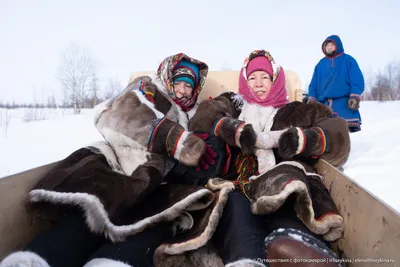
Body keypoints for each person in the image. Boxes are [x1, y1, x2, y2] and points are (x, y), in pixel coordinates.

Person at [0, 53, 231, 267]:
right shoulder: (148, 88)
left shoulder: (194, 113)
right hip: (118, 164)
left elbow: (218, 113)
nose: (182, 91)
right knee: (90, 215)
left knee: (149, 222)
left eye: (188, 86)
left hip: (157, 182)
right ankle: (38, 260)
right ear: (168, 77)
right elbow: (117, 113)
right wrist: (176, 139)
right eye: (178, 83)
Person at [195, 49, 351, 266]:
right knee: (236, 208)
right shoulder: (234, 103)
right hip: (241, 180)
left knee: (287, 192)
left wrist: (304, 139)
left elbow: (338, 130)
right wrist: (234, 129)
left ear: (275, 79)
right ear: (245, 81)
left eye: (265, 77)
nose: (258, 83)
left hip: (285, 175)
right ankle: (247, 259)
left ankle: (299, 245)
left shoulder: (297, 110)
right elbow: (205, 115)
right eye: (252, 78)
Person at [308, 35, 365, 132]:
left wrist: (355, 96)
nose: (329, 47)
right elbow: (313, 85)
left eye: (331, 45)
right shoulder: (320, 65)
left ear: (338, 46)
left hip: (344, 104)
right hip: (323, 106)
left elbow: (357, 80)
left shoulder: (348, 61)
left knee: (343, 134)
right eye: (327, 45)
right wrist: (312, 99)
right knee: (322, 134)